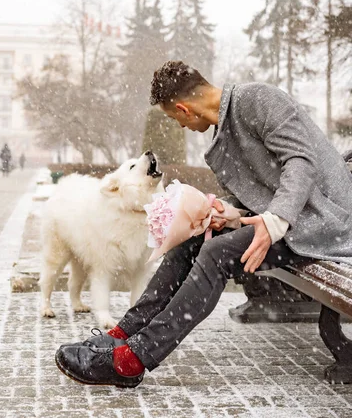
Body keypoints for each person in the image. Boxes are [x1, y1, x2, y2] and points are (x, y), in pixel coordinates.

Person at [55, 60, 352, 388]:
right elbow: (265, 189)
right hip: (295, 222)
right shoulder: (226, 130)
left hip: (326, 224)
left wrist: (273, 219)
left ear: (183, 108)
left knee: (216, 252)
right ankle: (124, 333)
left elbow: (300, 162)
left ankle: (131, 360)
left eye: (174, 119)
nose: (179, 126)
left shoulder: (259, 99)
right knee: (194, 237)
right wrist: (230, 212)